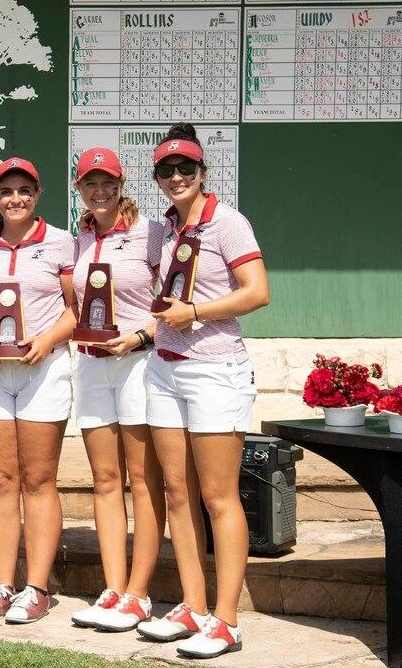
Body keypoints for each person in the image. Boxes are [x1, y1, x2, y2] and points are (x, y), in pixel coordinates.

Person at [135, 124, 269, 659]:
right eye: (166, 171)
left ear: (202, 171)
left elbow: (257, 293)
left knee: (218, 495)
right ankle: (192, 605)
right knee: (177, 492)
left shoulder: (228, 222)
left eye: (185, 168)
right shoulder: (164, 229)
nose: (176, 177)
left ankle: (227, 619)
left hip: (215, 369)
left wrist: (196, 312)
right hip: (164, 368)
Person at [0, 157, 76, 625]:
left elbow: (77, 309)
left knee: (39, 479)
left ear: (37, 193)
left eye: (24, 190)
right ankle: (3, 584)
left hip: (42, 369)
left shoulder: (60, 242)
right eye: (6, 191)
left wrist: (47, 340)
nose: (16, 199)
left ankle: (37, 588)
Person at [65, 148, 168, 633]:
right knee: (105, 479)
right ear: (78, 187)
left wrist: (142, 336)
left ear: (122, 184)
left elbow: (174, 299)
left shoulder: (152, 233)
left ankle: (139, 593)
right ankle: (113, 587)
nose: (100, 191)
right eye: (90, 182)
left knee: (143, 480)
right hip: (91, 366)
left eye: (108, 182)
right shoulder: (79, 239)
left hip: (137, 362)